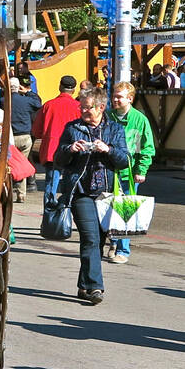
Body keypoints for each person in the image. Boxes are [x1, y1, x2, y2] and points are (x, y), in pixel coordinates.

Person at [54, 86, 129, 306]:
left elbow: (124, 160)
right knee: (90, 238)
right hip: (81, 192)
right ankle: (96, 287)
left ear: (101, 107)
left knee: (99, 241)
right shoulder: (73, 128)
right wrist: (70, 149)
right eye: (82, 107)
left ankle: (83, 285)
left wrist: (108, 150)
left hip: (106, 193)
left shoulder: (114, 129)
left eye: (88, 108)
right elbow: (58, 159)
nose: (84, 112)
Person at [106, 81, 156, 265]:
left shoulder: (139, 120)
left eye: (119, 97)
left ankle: (122, 249)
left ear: (130, 99)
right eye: (114, 96)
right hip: (109, 172)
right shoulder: (108, 116)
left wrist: (141, 170)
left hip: (128, 173)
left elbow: (147, 147)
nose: (115, 99)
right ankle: (112, 241)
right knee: (110, 209)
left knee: (125, 211)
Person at [33, 74, 81, 201]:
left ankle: (49, 214)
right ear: (74, 90)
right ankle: (66, 212)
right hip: (73, 149)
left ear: (60, 87)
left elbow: (36, 131)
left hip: (52, 149)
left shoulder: (48, 105)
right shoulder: (78, 107)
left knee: (51, 184)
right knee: (70, 184)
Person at [10, 72, 43, 202]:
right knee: (22, 163)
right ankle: (21, 193)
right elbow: (38, 103)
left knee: (8, 164)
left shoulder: (3, 101)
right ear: (19, 87)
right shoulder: (27, 100)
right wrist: (28, 91)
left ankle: (7, 189)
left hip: (10, 138)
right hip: (25, 137)